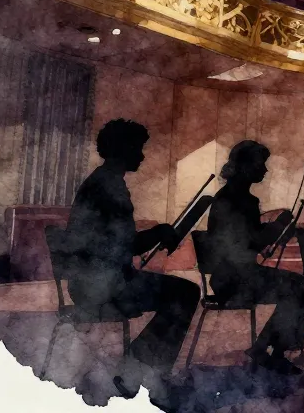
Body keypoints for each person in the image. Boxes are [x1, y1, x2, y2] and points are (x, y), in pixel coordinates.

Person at [66, 119, 201, 403]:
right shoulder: (109, 187)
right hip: (102, 288)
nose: (141, 155)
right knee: (186, 293)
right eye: (138, 148)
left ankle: (137, 367)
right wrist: (158, 233)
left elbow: (116, 243)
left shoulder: (102, 181)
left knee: (180, 292)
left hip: (92, 281)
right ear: (122, 149)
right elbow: (124, 245)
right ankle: (140, 370)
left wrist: (156, 234)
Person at [204, 140, 304, 374]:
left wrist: (279, 231)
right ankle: (271, 351)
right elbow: (248, 242)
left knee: (296, 285)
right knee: (297, 286)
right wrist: (278, 226)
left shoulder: (239, 197)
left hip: (239, 275)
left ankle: (265, 349)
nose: (265, 169)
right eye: (260, 164)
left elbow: (253, 239)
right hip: (232, 280)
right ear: (244, 166)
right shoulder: (232, 199)